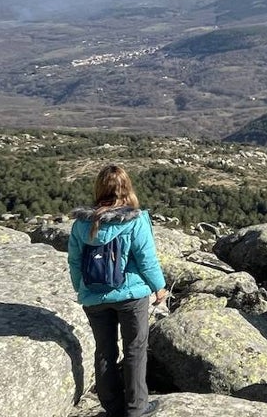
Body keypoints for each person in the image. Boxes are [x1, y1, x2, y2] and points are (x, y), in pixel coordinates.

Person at [68, 165, 167, 417]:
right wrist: (159, 287)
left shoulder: (82, 223)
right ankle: (136, 408)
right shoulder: (135, 219)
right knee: (135, 349)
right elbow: (146, 259)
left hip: (94, 297)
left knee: (104, 351)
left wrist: (81, 289)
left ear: (99, 188)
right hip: (131, 297)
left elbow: (75, 262)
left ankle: (112, 407)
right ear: (127, 188)